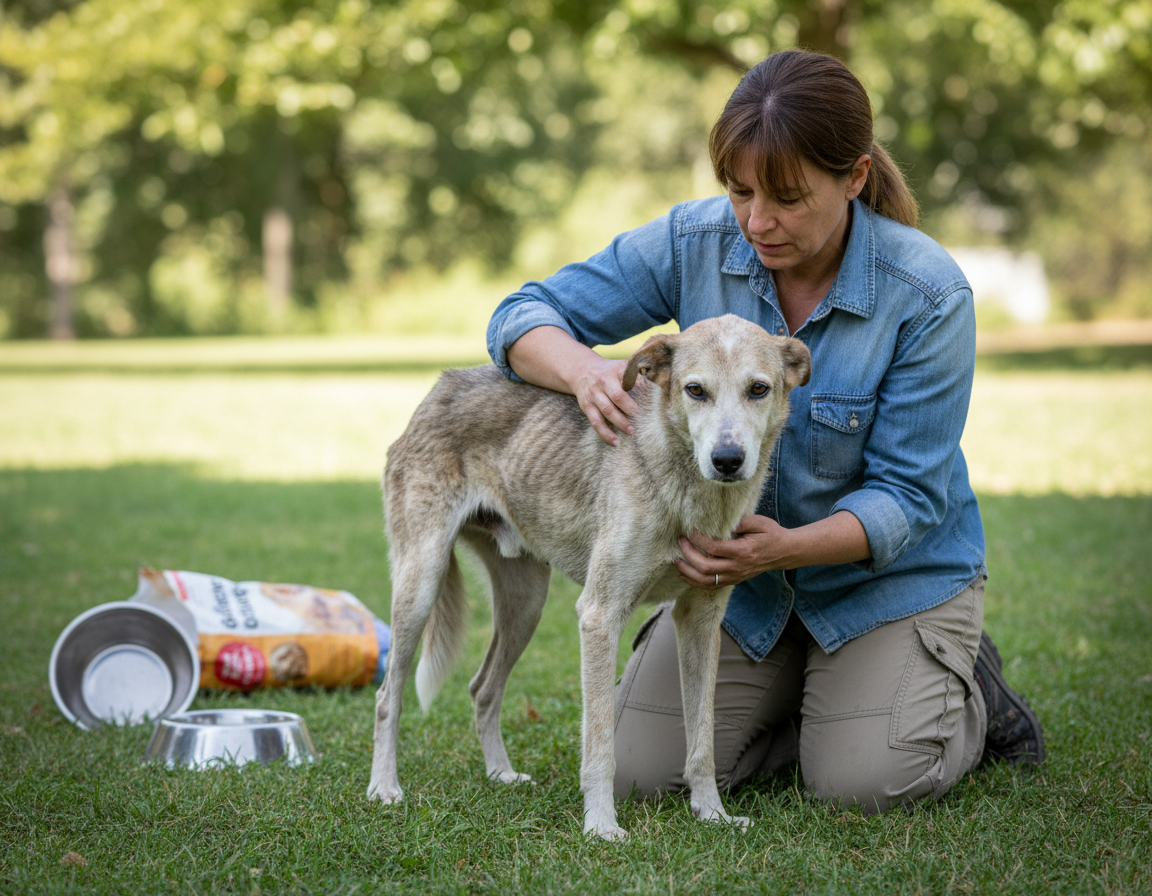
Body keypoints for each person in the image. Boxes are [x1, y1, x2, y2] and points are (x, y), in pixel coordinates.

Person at [486, 49, 1043, 814]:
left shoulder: (927, 293)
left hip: (878, 585)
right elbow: (521, 316)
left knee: (864, 782)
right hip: (738, 595)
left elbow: (910, 497)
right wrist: (583, 370)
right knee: (639, 779)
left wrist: (780, 548)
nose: (756, 221)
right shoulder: (695, 240)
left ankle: (961, 685)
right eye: (739, 191)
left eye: (785, 197)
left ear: (852, 177)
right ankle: (822, 708)